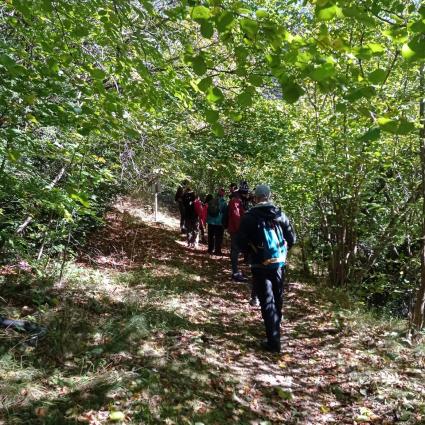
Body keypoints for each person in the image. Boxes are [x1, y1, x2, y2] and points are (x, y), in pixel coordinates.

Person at [237, 184, 295, 353]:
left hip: (259, 264)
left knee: (266, 300)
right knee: (277, 297)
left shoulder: (249, 217)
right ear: (269, 196)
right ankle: (276, 328)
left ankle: (273, 341)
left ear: (255, 197)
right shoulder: (280, 215)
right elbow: (292, 238)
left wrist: (251, 252)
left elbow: (240, 242)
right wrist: (282, 251)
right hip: (278, 264)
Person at [227, 182, 249, 282]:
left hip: (235, 228)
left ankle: (235, 271)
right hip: (235, 229)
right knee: (235, 249)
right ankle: (235, 273)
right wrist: (240, 230)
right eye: (245, 193)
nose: (246, 195)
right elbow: (236, 216)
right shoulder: (235, 200)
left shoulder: (237, 199)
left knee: (235, 249)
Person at [206, 188, 227, 256]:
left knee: (210, 236)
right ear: (223, 194)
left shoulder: (212, 200)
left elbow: (208, 210)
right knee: (218, 237)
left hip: (210, 221)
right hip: (219, 222)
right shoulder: (223, 202)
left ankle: (210, 250)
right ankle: (217, 251)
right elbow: (225, 212)